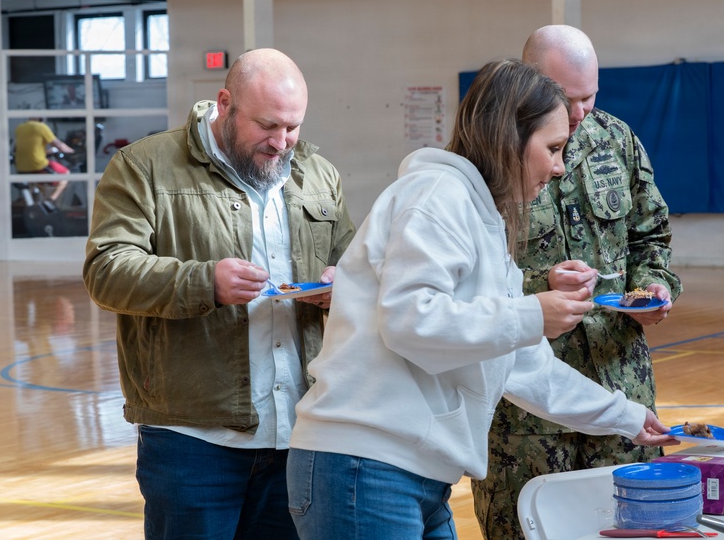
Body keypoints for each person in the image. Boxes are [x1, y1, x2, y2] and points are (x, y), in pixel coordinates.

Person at [285, 58, 678, 540]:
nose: (558, 167)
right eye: (553, 148)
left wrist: (629, 417)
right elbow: (411, 322)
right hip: (365, 465)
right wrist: (533, 312)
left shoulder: (485, 219)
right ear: (508, 137)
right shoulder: (437, 194)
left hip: (415, 473)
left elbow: (523, 366)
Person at [82, 48, 356, 540]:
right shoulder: (144, 166)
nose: (282, 143)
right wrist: (204, 282)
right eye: (268, 126)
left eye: (293, 127)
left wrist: (343, 287)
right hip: (192, 440)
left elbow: (359, 267)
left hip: (300, 430)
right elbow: (106, 270)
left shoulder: (317, 173)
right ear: (224, 103)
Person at [471, 25, 684, 539]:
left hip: (618, 381)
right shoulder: (489, 160)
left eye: (591, 95)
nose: (581, 111)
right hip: (523, 408)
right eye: (568, 98)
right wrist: (537, 283)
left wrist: (654, 287)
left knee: (627, 525)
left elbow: (650, 235)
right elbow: (470, 283)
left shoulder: (616, 140)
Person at [13, 117, 74, 204]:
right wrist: (72, 151)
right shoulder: (41, 126)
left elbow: (24, 148)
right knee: (66, 173)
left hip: (21, 166)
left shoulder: (20, 127)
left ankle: (34, 204)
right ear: (41, 119)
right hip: (37, 164)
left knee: (37, 184)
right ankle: (51, 200)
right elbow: (59, 145)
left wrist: (46, 151)